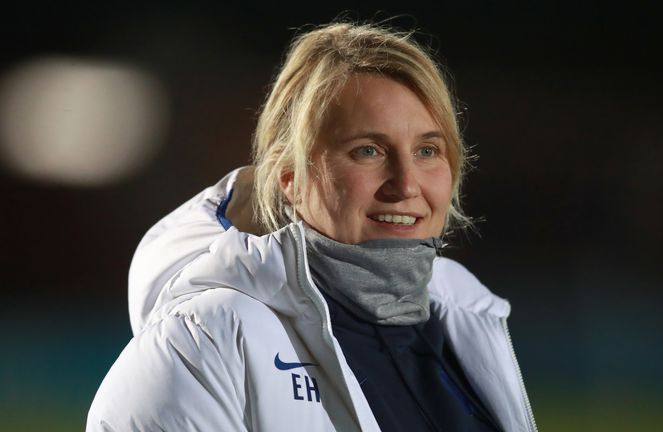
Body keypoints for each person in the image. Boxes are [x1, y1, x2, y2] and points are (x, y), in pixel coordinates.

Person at [87, 21, 537, 432]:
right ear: (291, 179)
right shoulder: (205, 340)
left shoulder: (466, 318)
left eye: (427, 151)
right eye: (368, 151)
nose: (406, 184)